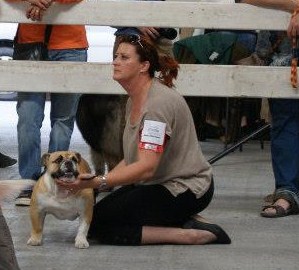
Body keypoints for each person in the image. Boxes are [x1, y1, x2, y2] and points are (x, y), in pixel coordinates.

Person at [57, 35, 231, 245]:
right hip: (156, 183)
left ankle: (188, 235)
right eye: (116, 56)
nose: (115, 62)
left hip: (184, 188)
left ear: (144, 66)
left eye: (124, 57)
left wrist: (101, 181)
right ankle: (181, 221)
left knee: (100, 226)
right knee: (94, 218)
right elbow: (132, 158)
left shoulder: (156, 106)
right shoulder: (134, 99)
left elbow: (147, 167)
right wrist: (97, 184)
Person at [10, 0, 88, 206]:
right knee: (28, 118)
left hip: (70, 45)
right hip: (30, 42)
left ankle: (56, 181)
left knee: (63, 119)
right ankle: (28, 185)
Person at [242, 0, 299, 217]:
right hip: (285, 56)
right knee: (286, 121)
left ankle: (289, 190)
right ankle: (288, 191)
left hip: (283, 53)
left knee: (286, 122)